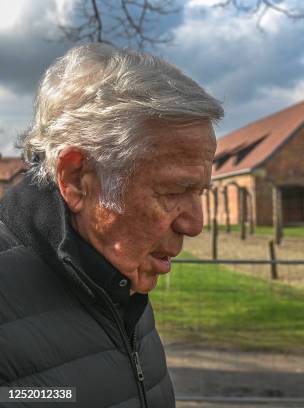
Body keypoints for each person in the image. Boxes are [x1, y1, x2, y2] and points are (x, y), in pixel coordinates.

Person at [0, 44, 223, 407]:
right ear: (76, 179)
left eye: (199, 191)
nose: (195, 224)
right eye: (173, 191)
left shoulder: (116, 277)